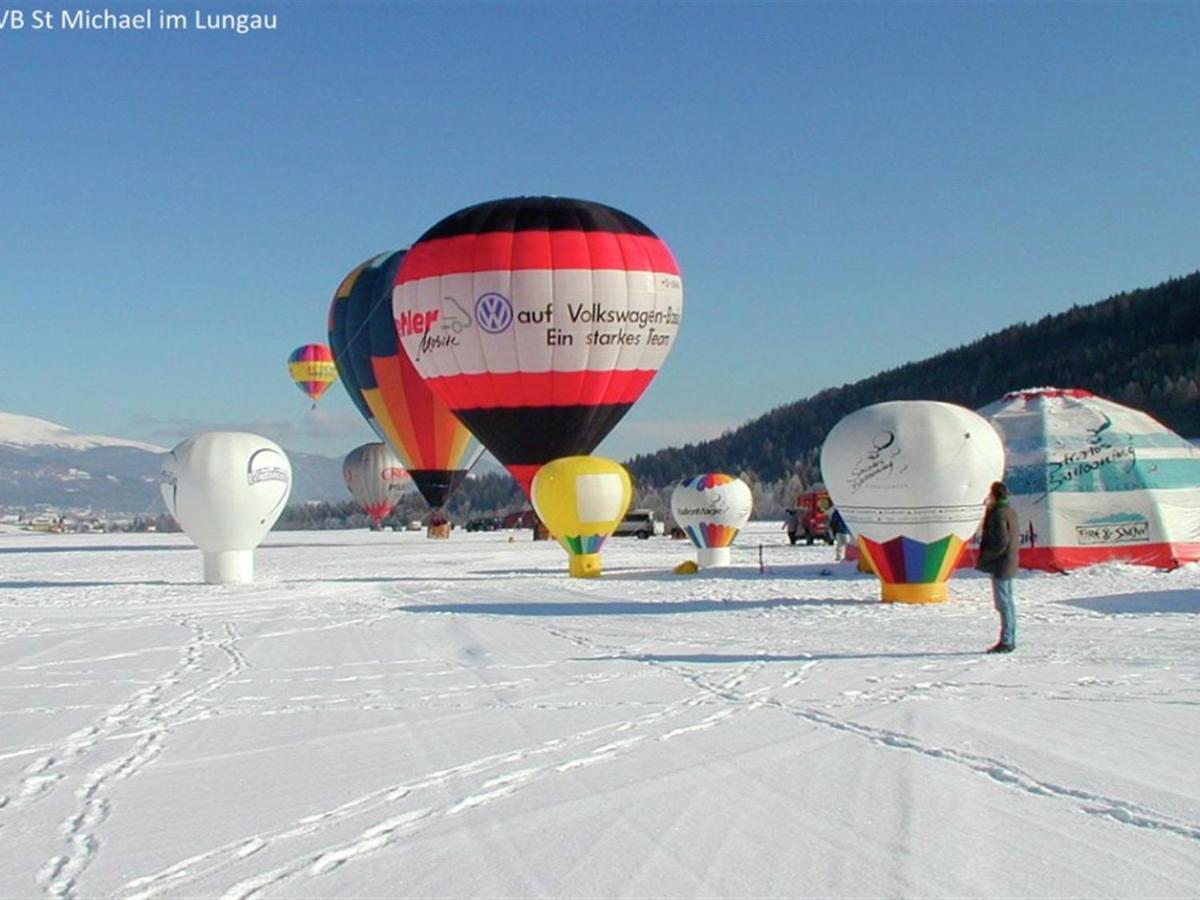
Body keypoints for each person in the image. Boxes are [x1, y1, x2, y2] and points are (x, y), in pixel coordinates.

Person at [976, 481, 1019, 653]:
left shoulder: (999, 514)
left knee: (1004, 603)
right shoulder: (1009, 511)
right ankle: (1009, 637)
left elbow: (1000, 540)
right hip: (1008, 562)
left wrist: (987, 557)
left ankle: (1007, 640)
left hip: (1001, 563)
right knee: (1007, 602)